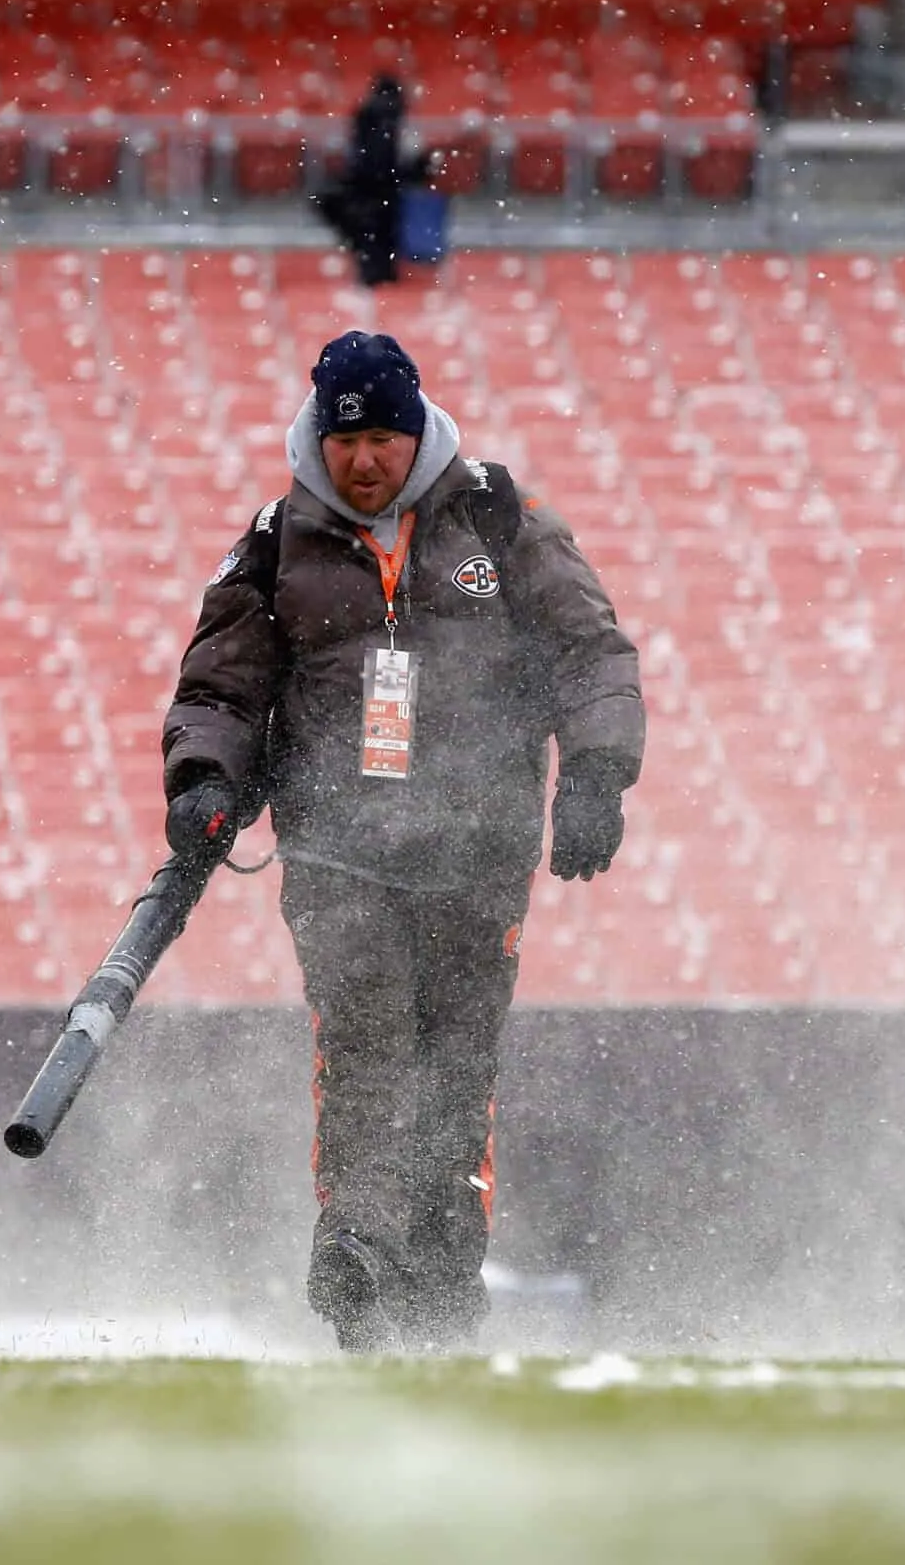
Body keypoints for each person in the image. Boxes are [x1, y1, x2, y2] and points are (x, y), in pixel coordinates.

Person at [161, 331, 644, 1352]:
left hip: (479, 852)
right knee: (370, 1043)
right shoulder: (273, 542)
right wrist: (203, 780)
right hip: (338, 850)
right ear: (316, 439)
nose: (366, 459)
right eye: (347, 440)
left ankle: (437, 1281)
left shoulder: (500, 519)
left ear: (417, 426)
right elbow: (221, 685)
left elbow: (589, 648)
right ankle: (357, 1256)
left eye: (384, 435)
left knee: (456, 1065)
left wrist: (596, 772)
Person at [313, 74, 426, 288]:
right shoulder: (385, 120)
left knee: (370, 243)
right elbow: (381, 163)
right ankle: (379, 277)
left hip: (369, 193)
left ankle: (375, 276)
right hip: (378, 194)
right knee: (378, 243)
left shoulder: (368, 118)